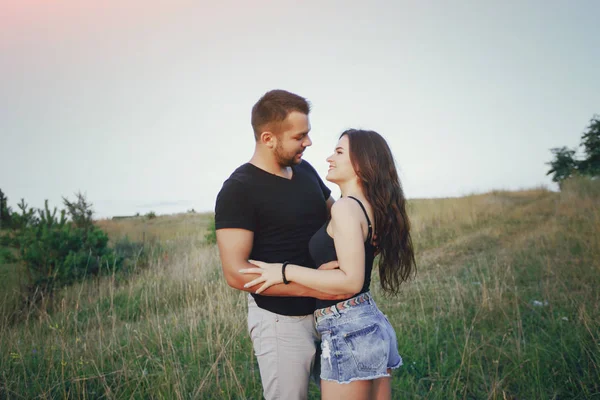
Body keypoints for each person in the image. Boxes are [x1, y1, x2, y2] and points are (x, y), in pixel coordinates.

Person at [241, 129, 416, 400]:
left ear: (361, 163)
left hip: (349, 328)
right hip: (367, 322)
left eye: (339, 152)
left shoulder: (345, 208)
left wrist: (284, 271)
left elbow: (350, 281)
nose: (328, 158)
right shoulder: (369, 207)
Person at [215, 89, 346, 400]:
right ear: (268, 138)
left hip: (331, 312)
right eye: (300, 136)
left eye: (308, 134)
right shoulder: (239, 189)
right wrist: (318, 286)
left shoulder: (306, 171)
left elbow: (336, 219)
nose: (309, 143)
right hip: (281, 322)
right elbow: (236, 274)